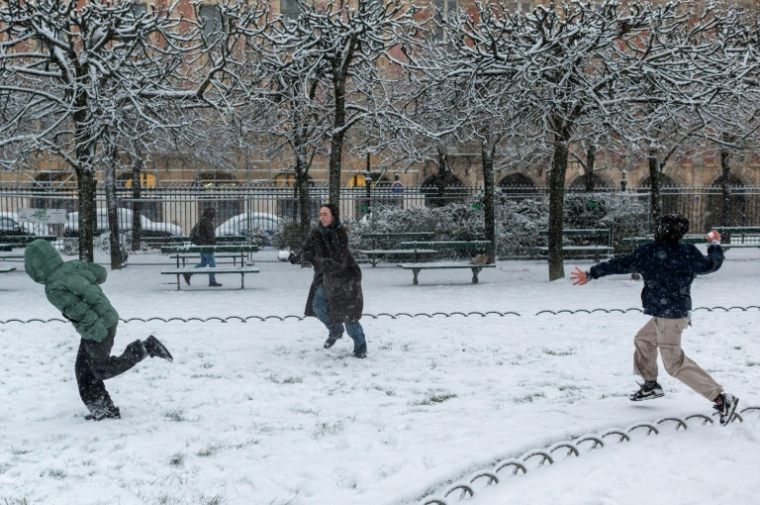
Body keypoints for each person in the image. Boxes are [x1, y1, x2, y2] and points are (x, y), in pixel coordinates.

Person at [570, 214, 739, 426]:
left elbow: (619, 264)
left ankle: (721, 398)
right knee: (644, 340)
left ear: (659, 230)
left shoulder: (648, 252)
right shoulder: (686, 252)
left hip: (670, 317)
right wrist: (714, 243)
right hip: (670, 313)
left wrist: (592, 273)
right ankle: (650, 385)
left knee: (675, 364)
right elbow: (711, 265)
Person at [24, 239, 173, 421]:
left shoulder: (53, 287)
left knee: (100, 369)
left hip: (97, 328)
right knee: (83, 370)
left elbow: (81, 312)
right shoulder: (73, 266)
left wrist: (98, 333)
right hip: (106, 317)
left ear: (34, 268)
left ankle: (146, 348)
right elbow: (101, 274)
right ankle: (104, 411)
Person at [289, 203, 368, 358]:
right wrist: (296, 256)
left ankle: (360, 346)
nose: (322, 217)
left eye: (325, 214)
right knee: (318, 306)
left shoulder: (340, 234)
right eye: (320, 214)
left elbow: (338, 263)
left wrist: (313, 260)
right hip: (325, 278)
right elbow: (306, 249)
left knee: (349, 316)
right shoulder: (315, 232)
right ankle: (336, 330)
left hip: (346, 279)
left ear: (333, 216)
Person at [185, 206, 222, 287]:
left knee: (203, 263)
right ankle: (212, 281)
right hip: (207, 245)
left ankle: (188, 273)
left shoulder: (202, 220)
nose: (214, 216)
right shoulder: (207, 221)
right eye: (213, 214)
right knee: (212, 264)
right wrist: (213, 242)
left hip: (202, 244)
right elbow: (210, 234)